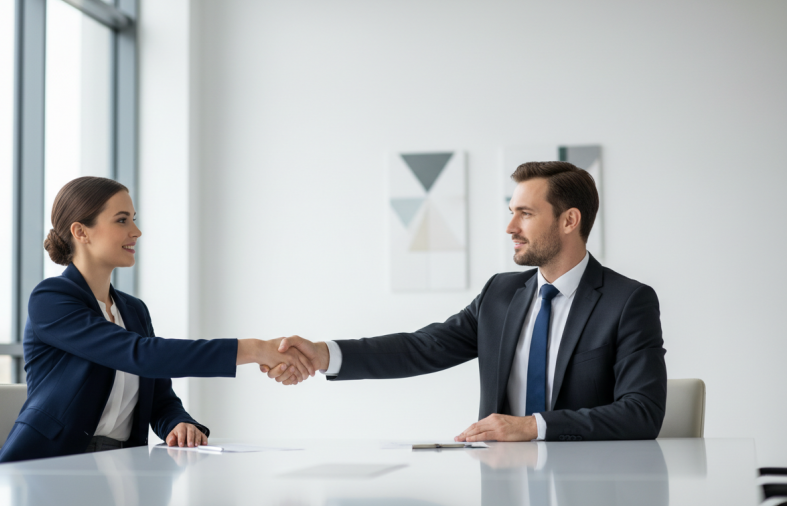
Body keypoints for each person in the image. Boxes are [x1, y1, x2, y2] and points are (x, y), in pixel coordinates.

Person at [263, 161, 667, 442]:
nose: (510, 227)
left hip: (593, 485)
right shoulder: (501, 294)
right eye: (511, 212)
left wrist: (532, 426)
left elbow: (641, 413)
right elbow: (421, 347)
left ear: (569, 220)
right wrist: (322, 354)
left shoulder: (628, 301)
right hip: (501, 481)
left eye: (525, 214)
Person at [0, 177, 312, 464]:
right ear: (81, 232)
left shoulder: (133, 310)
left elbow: (159, 395)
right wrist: (253, 349)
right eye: (122, 220)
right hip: (48, 466)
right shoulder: (51, 299)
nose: (136, 231)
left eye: (133, 219)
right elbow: (141, 355)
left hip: (123, 466)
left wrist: (177, 422)